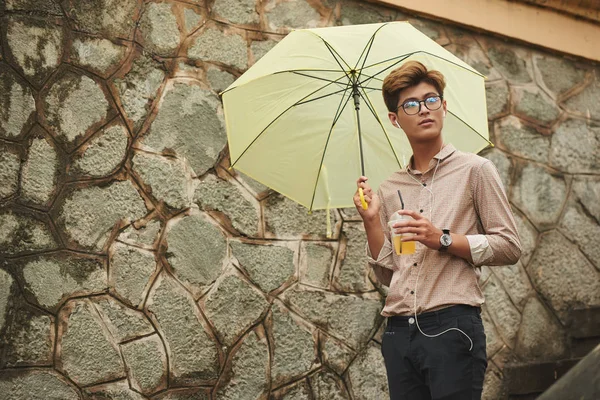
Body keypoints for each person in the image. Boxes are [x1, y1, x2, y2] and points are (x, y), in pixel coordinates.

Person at [354, 61, 521, 400]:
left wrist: (441, 239)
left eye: (431, 100)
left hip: (453, 327)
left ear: (444, 107)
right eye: (411, 105)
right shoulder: (390, 189)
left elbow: (509, 246)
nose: (424, 110)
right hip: (399, 333)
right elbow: (390, 274)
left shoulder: (475, 171)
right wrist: (371, 220)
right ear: (395, 119)